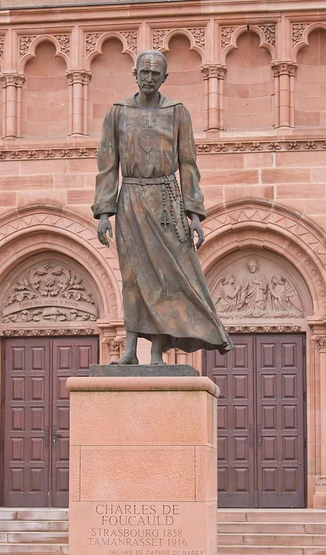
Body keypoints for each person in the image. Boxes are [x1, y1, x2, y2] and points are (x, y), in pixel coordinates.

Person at [92, 50, 233, 364]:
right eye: (145, 72)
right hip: (129, 199)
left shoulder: (176, 112)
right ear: (136, 74)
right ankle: (130, 351)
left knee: (165, 278)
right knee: (132, 276)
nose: (150, 78)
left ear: (165, 78)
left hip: (166, 202)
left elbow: (188, 164)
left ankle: (157, 353)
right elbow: (107, 163)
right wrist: (104, 212)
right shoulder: (117, 113)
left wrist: (194, 214)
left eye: (156, 74)